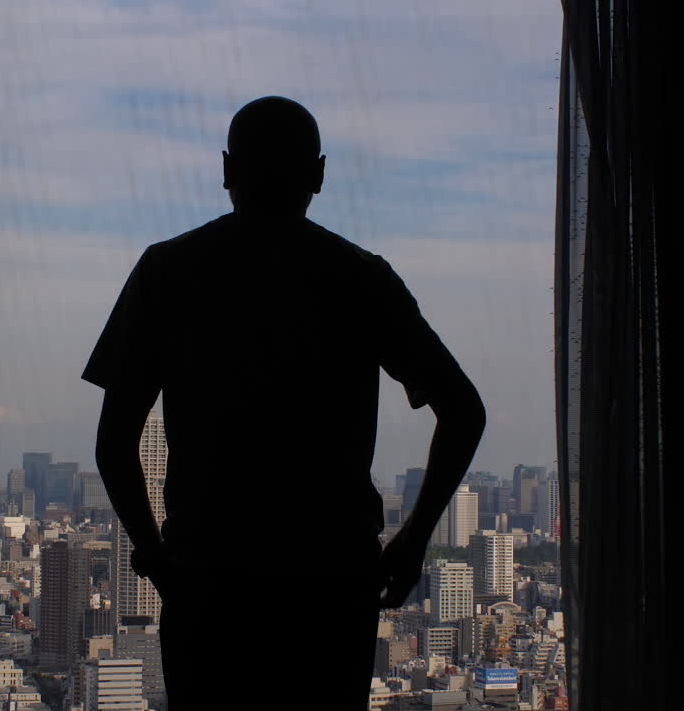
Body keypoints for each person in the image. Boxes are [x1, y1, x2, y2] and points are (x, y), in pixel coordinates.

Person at [82, 96, 486, 710]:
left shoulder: (166, 274)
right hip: (329, 585)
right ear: (319, 175)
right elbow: (464, 409)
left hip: (210, 582)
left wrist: (159, 559)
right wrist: (413, 538)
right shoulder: (361, 279)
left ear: (226, 169)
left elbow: (114, 443)